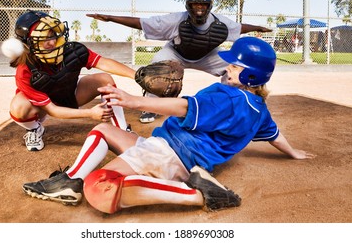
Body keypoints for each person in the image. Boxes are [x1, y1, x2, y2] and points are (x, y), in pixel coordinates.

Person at [22, 37, 316, 213]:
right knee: (103, 130)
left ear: (251, 77)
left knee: (99, 188)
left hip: (171, 156)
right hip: (164, 149)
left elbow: (185, 106)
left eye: (236, 67)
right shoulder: (258, 109)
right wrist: (293, 152)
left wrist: (133, 101)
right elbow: (273, 134)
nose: (228, 67)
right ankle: (70, 182)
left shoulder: (229, 98)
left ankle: (198, 194)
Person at [87, 0, 272, 123]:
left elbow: (239, 28)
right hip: (176, 53)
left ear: (209, 6)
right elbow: (141, 23)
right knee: (156, 67)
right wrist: (111, 18)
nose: (199, 8)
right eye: (195, 4)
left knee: (232, 68)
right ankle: (150, 106)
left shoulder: (220, 22)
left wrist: (256, 27)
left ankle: (231, 102)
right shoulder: (176, 19)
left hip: (207, 55)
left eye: (203, 4)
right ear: (188, 6)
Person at [9, 10, 136, 151]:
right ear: (28, 43)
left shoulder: (71, 51)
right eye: (44, 38)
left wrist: (136, 75)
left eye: (53, 35)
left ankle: (122, 130)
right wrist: (90, 113)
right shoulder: (25, 71)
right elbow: (53, 110)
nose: (52, 42)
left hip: (70, 95)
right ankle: (34, 129)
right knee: (18, 106)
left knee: (104, 79)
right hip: (44, 107)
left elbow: (103, 62)